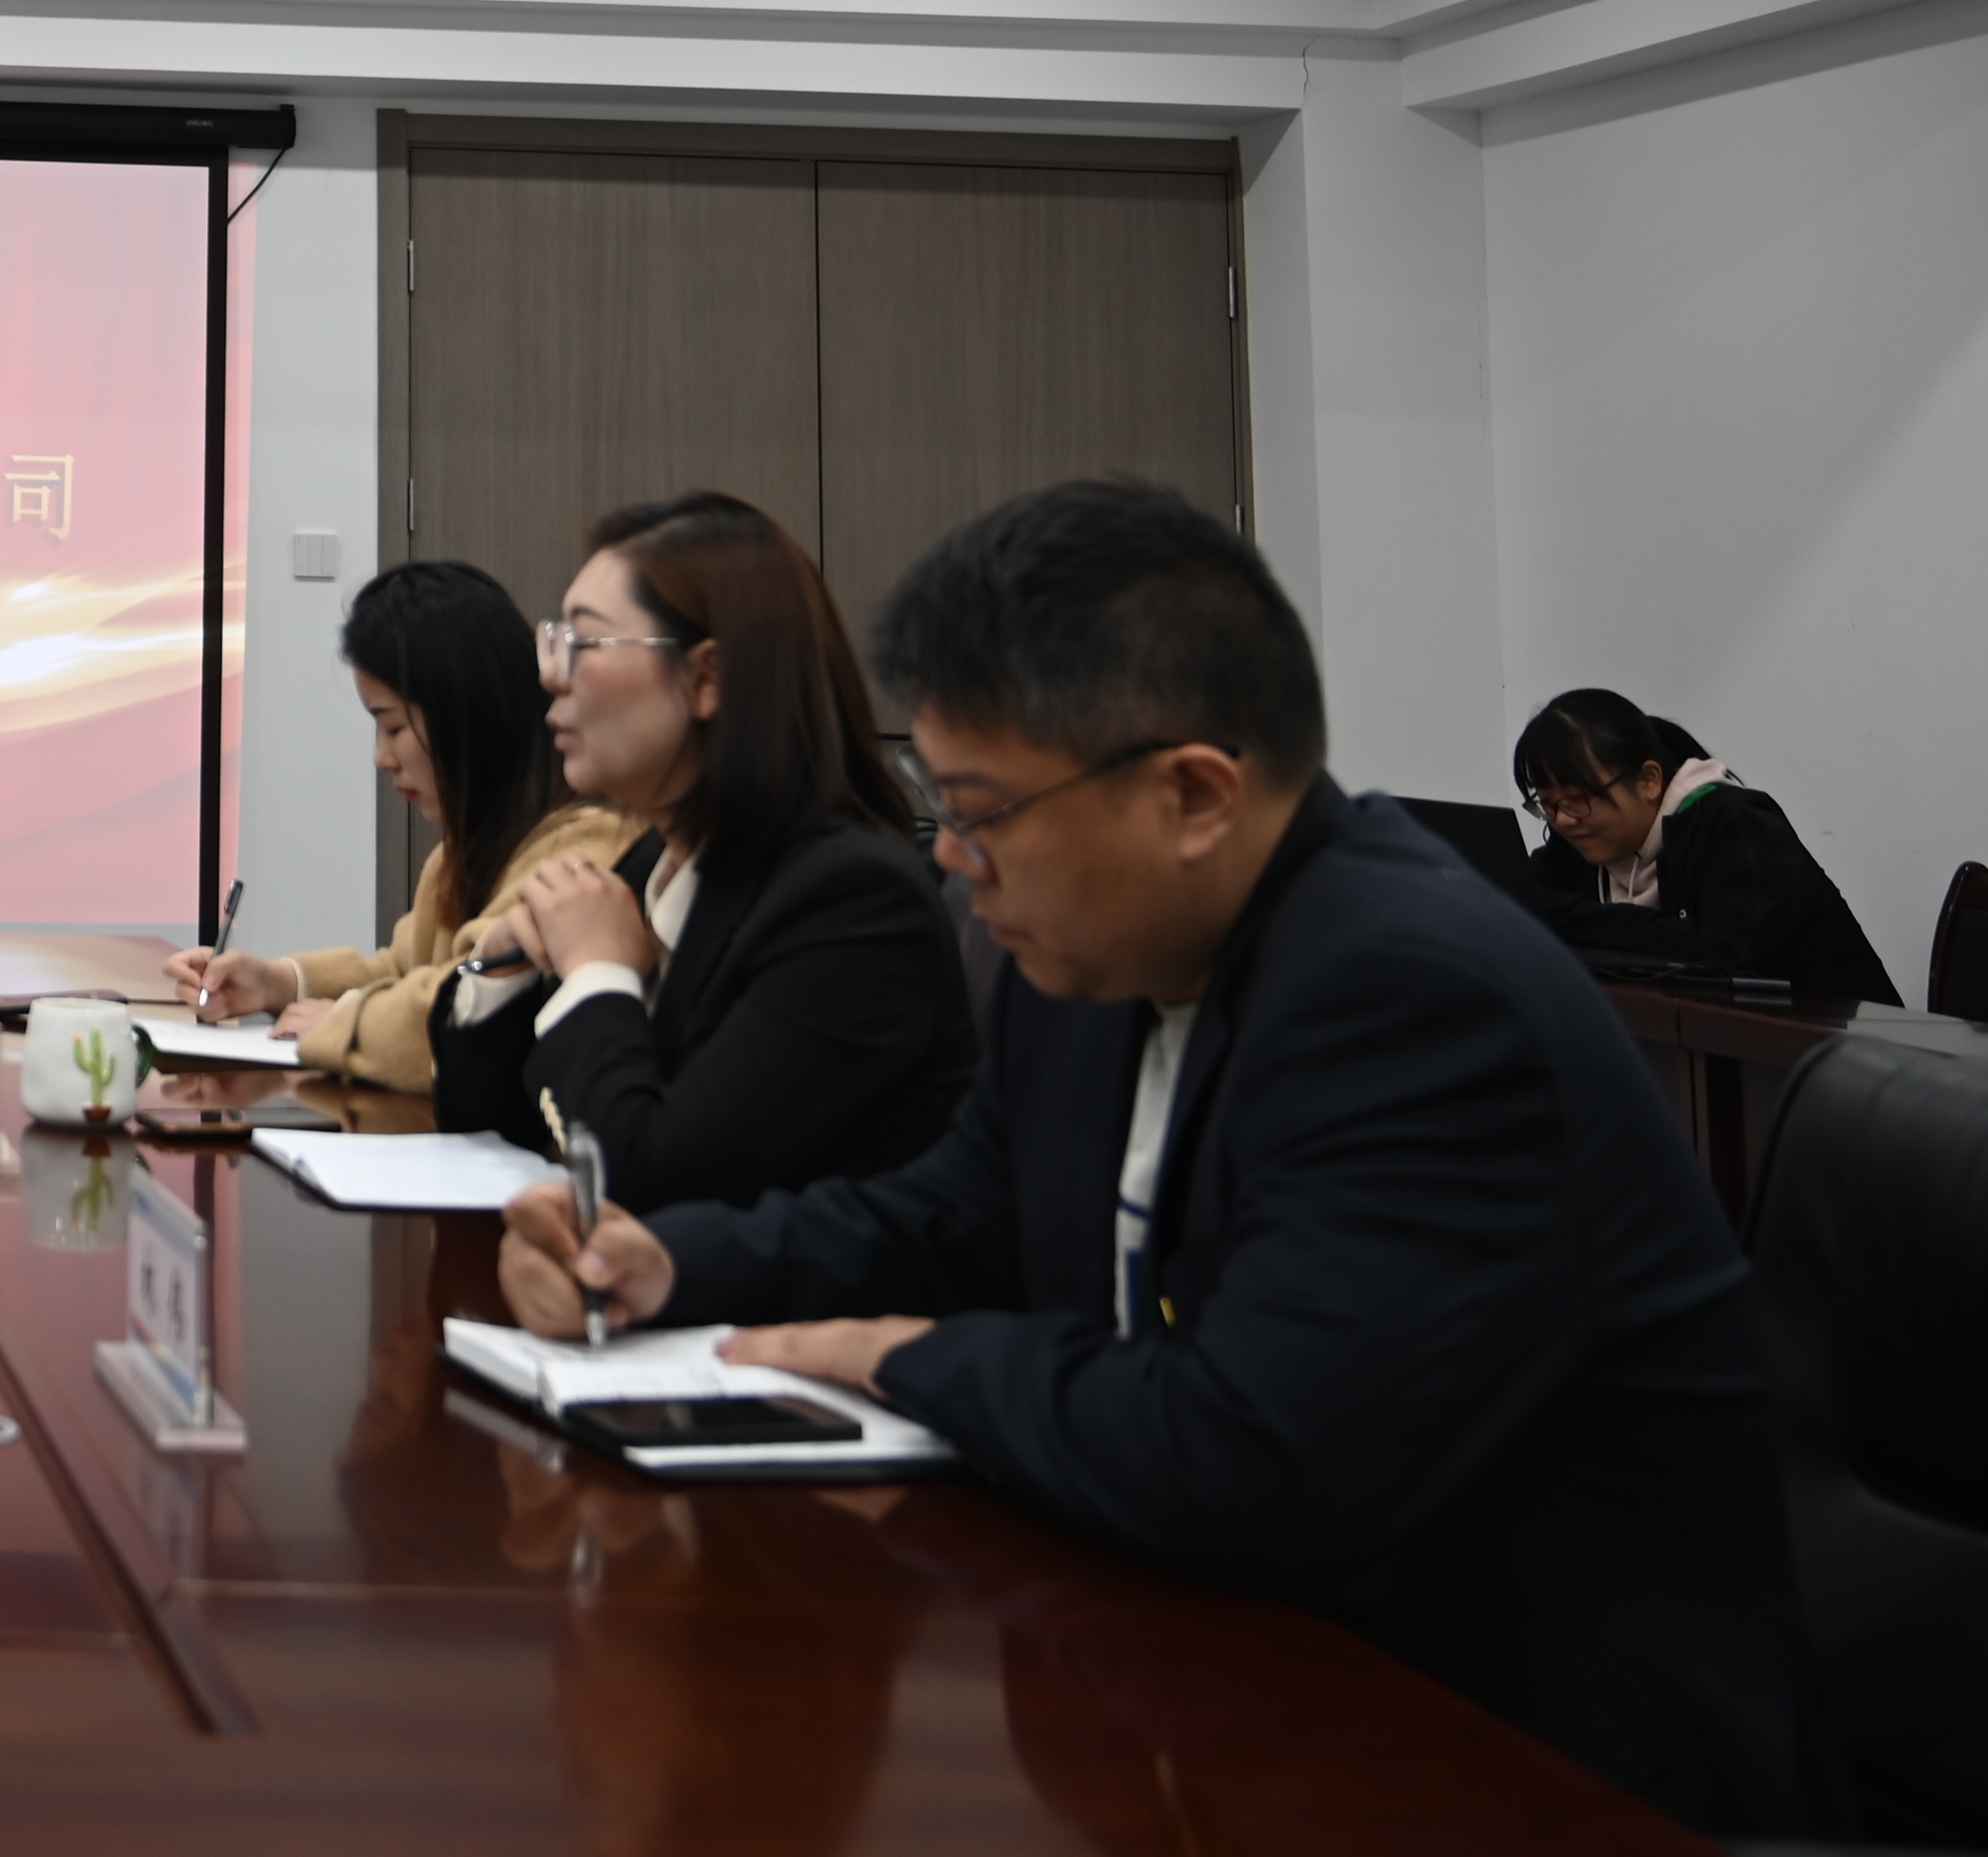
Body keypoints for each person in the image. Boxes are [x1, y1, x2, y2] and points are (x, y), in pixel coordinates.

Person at [498, 476, 1819, 1838]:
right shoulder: (1104, 955)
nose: (956, 861)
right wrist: (668, 1263)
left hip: (1523, 1774)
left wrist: (898, 1355)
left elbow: (1250, 1457)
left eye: (982, 811)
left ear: (1192, 795)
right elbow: (956, 1216)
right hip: (1231, 1706)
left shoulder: (1415, 1000)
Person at [426, 491, 977, 1198]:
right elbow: (483, 1122)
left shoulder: (853, 901)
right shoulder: (655, 862)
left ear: (707, 678)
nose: (550, 674)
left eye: (585, 642)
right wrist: (504, 968)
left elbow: (655, 1181)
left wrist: (595, 974)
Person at [168, 560, 635, 1091]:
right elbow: (405, 972)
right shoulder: (459, 854)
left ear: (465, 712)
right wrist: (277, 983)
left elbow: (459, 1006)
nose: (382, 758)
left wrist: (348, 1023)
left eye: (393, 727)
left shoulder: (580, 852)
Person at [1505, 687, 1896, 1002]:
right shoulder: (1582, 836)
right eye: (1548, 803)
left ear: (1649, 781)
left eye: (1578, 799)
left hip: (1841, 1049)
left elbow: (1723, 958)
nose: (1563, 820)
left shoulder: (1733, 821)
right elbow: (1518, 903)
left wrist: (1566, 917)